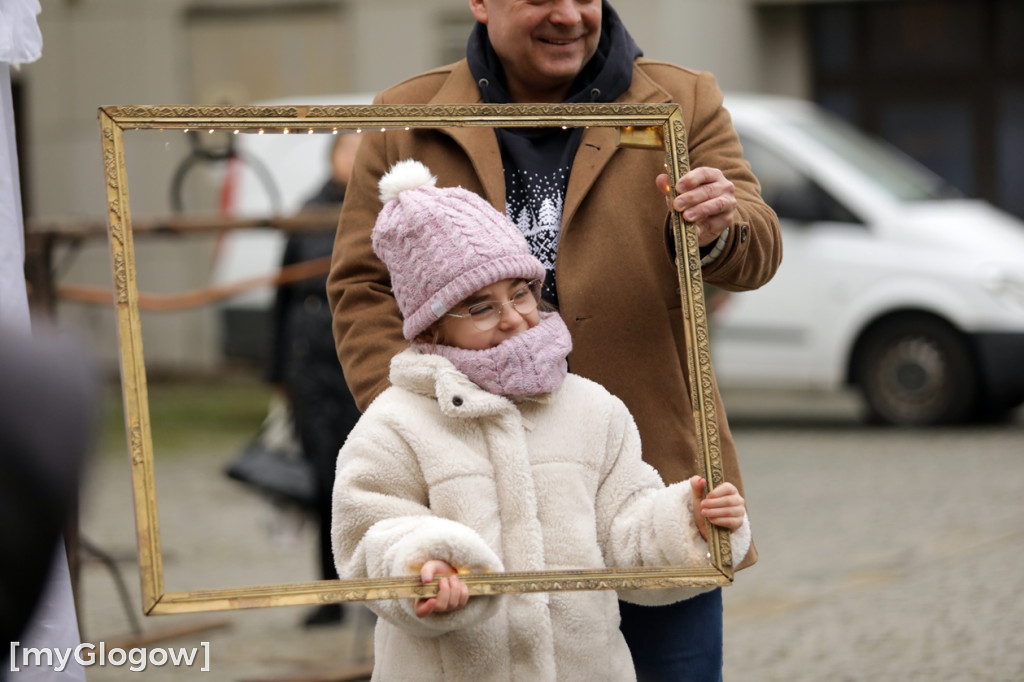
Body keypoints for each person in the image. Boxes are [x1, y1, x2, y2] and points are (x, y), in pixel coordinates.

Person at [327, 1, 782, 677]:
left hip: (651, 486)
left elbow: (757, 248)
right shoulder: (405, 113)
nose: (569, 14)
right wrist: (422, 419)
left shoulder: (682, 98)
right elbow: (362, 288)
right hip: (474, 502)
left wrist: (718, 230)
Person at [266, 132, 363, 626]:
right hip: (312, 361)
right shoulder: (306, 213)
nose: (357, 155)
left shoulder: (380, 209)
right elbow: (280, 296)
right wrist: (278, 371)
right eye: (350, 148)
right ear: (332, 158)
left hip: (362, 359)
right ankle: (331, 593)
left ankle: (379, 587)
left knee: (375, 474)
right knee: (325, 478)